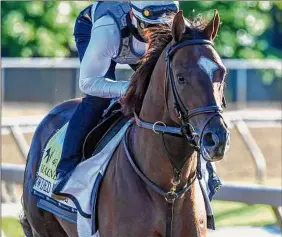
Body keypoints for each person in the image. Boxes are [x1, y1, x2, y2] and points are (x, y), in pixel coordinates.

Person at [53, 1, 180, 192]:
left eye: (163, 28)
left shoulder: (174, 27)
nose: (155, 36)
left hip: (125, 36)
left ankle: (206, 170)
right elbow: (88, 83)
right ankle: (65, 170)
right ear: (132, 16)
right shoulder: (107, 31)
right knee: (97, 100)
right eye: (149, 27)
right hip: (95, 28)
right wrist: (129, 87)